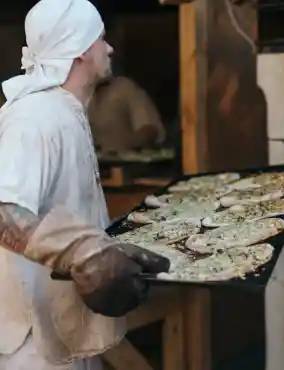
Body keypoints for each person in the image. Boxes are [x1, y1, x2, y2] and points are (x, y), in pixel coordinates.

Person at [0, 0, 171, 369]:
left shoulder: (64, 111)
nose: (109, 48)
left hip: (61, 324)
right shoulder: (34, 117)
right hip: (32, 343)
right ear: (79, 50)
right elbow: (3, 212)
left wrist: (102, 247)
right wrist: (85, 253)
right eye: (101, 39)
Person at [88, 75, 166, 153]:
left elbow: (151, 129)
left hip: (128, 161)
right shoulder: (81, 96)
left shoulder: (124, 87)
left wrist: (124, 143)